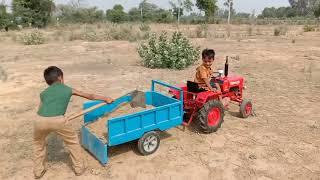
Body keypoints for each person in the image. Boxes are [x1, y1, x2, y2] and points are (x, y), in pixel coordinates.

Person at [34, 66, 113, 179]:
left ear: (48, 81)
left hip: (39, 120)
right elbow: (90, 96)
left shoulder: (43, 93)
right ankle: (79, 168)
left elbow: (41, 109)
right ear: (60, 78)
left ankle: (38, 171)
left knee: (38, 144)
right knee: (72, 142)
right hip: (58, 120)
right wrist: (106, 98)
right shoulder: (68, 89)